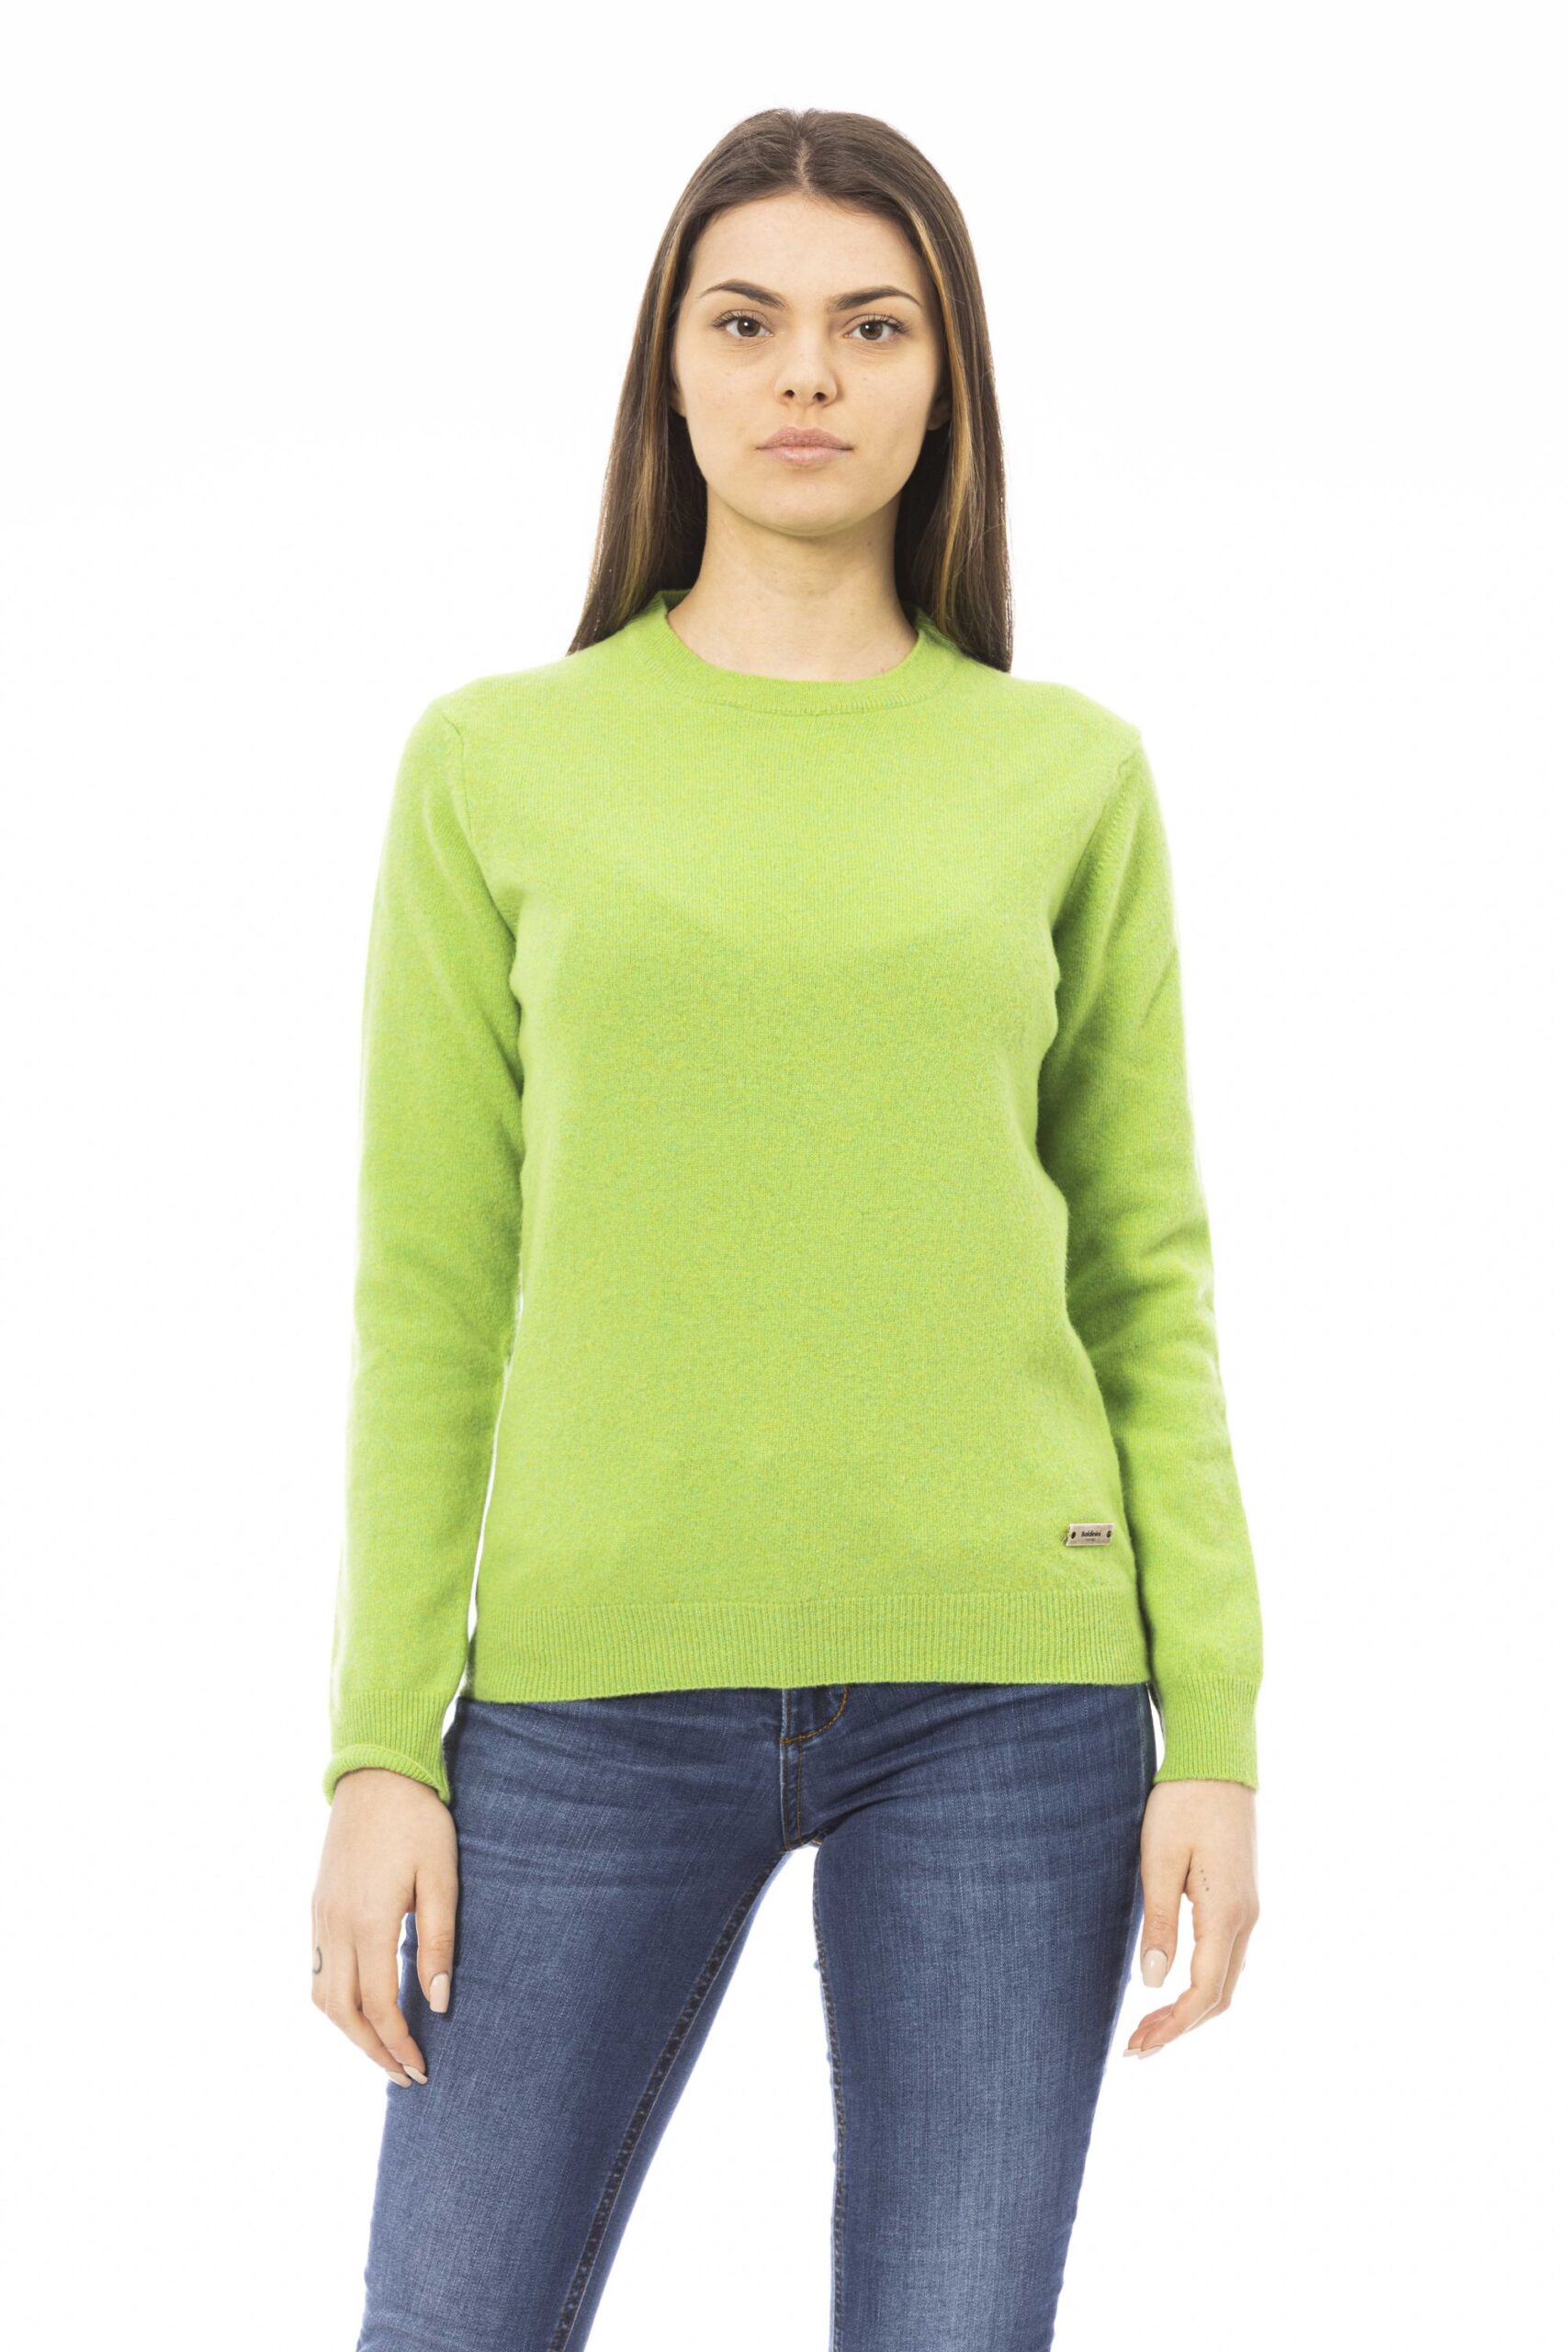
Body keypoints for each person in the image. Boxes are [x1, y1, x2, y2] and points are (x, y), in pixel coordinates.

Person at [311, 104, 1265, 2352]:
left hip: (1012, 1693)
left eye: (870, 326)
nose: (806, 374)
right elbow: (429, 1288)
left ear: (944, 378)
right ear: (670, 367)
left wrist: (1213, 1725)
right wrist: (377, 1743)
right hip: (582, 1697)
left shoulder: (1063, 771)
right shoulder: (494, 761)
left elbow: (1143, 1275)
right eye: (744, 323)